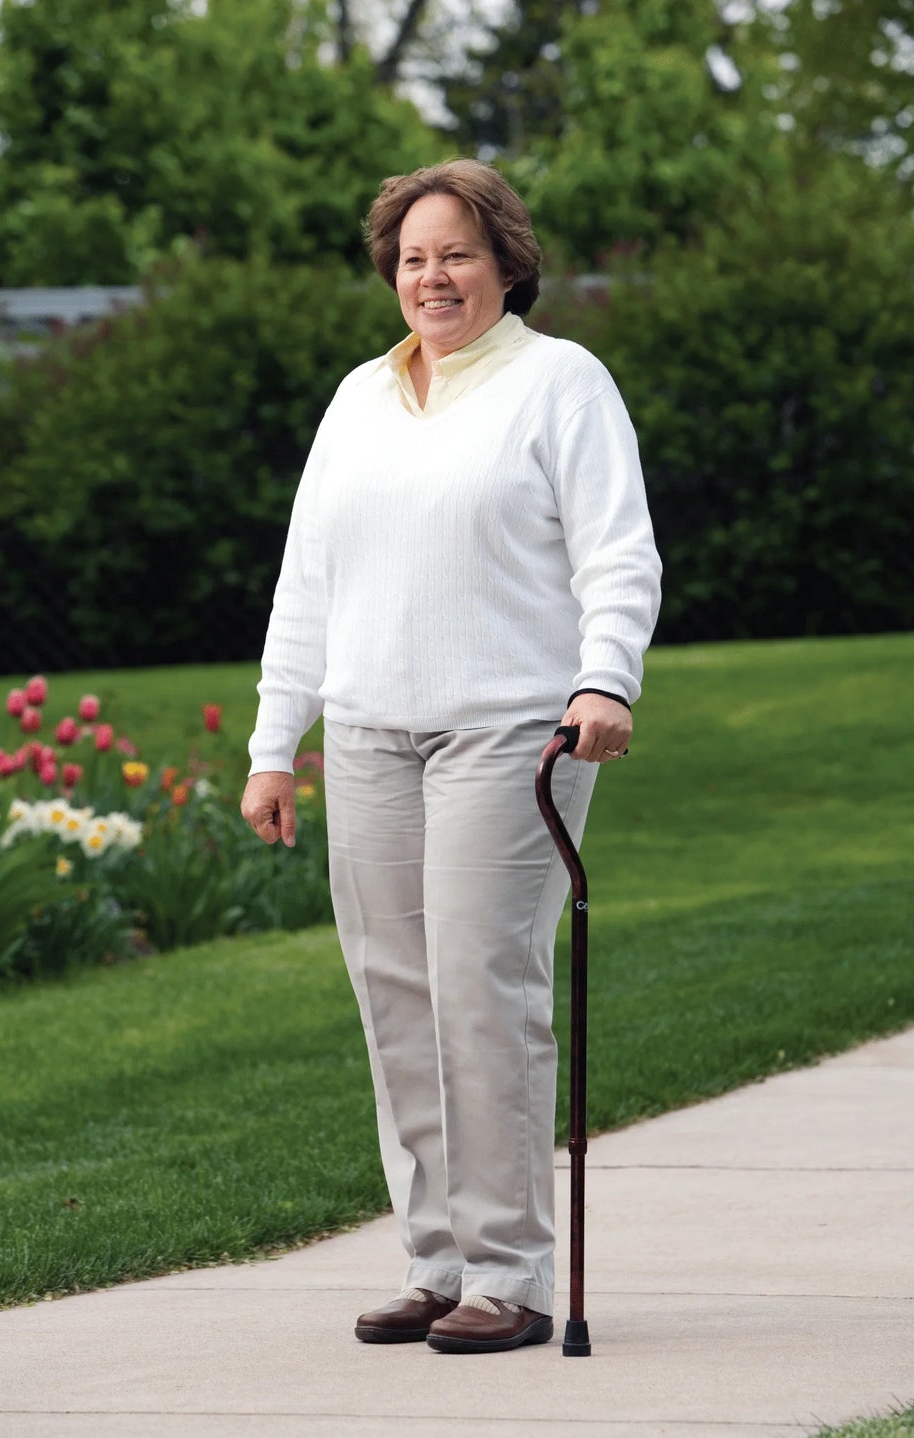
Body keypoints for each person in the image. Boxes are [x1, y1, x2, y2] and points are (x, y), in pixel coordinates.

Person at [242, 159, 662, 1354]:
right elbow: (306, 588)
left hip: (510, 728)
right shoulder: (357, 399)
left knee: (480, 992)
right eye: (414, 257)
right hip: (371, 731)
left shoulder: (559, 383)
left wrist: (604, 679)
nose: (434, 276)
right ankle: (435, 1259)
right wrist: (277, 744)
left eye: (457, 254)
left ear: (505, 263)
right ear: (392, 273)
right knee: (398, 998)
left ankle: (510, 1271)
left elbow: (616, 555)